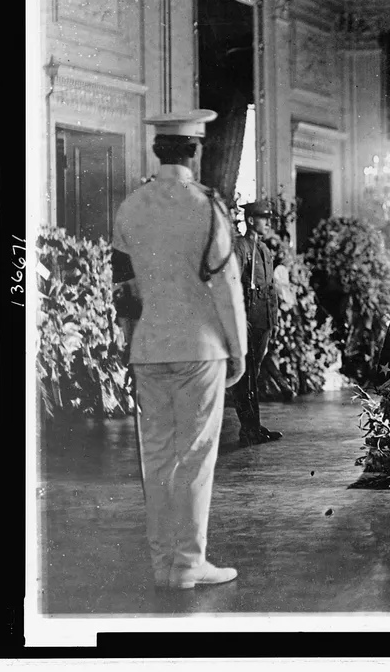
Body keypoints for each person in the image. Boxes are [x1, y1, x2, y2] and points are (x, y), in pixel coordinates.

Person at [111, 109, 246, 589]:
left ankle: (162, 565)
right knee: (195, 455)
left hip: (148, 347)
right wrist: (240, 348)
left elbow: (124, 288)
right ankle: (189, 563)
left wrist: (135, 338)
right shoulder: (206, 206)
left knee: (158, 458)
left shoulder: (131, 207)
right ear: (196, 149)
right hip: (201, 348)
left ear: (157, 149)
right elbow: (228, 285)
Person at [231, 200, 283, 447]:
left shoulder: (263, 249)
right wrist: (241, 319)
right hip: (248, 319)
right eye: (264, 218)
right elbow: (232, 285)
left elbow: (270, 288)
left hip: (263, 319)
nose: (268, 223)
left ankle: (254, 427)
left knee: (255, 372)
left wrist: (274, 319)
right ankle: (247, 429)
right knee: (246, 375)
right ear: (251, 220)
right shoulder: (240, 247)